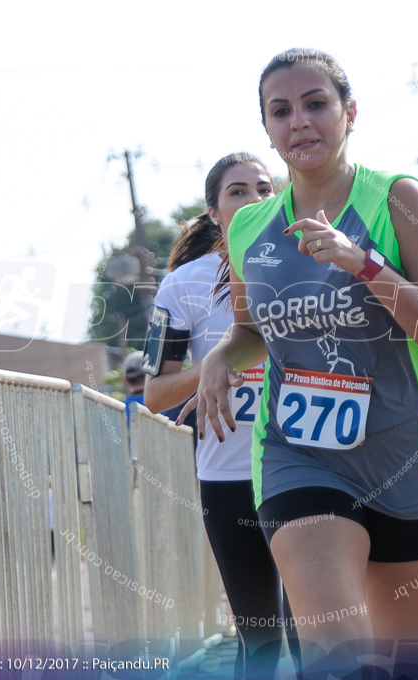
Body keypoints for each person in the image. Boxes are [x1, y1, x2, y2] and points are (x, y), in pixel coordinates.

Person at [181, 49, 418, 673]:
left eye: (316, 104)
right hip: (300, 457)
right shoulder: (249, 228)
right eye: (281, 111)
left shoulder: (397, 200)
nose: (300, 122)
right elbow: (248, 331)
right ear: (267, 128)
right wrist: (218, 360)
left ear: (349, 113)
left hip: (411, 461)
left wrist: (364, 264)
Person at [144, 153, 300, 679]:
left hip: (306, 470)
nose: (254, 200)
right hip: (229, 477)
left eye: (264, 188)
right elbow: (155, 394)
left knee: (315, 635)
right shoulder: (184, 285)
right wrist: (212, 368)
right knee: (260, 642)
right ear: (214, 211)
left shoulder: (313, 261)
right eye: (237, 192)